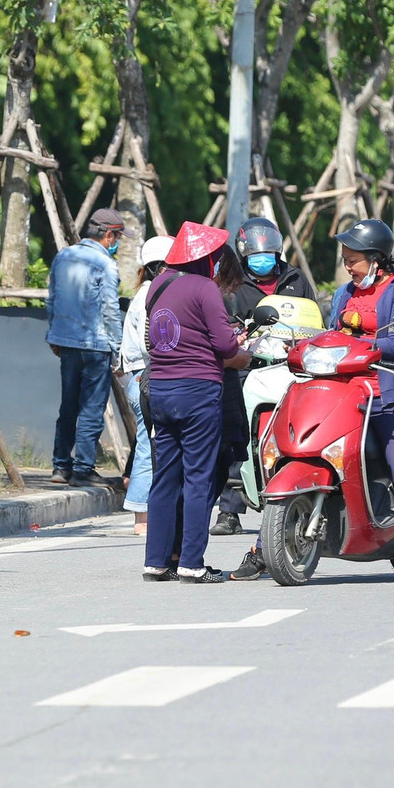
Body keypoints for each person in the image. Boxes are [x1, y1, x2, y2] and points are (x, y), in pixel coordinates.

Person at [231, 219, 394, 586]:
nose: (348, 266)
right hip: (344, 389)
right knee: (300, 452)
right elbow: (330, 333)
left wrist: (370, 348)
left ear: (377, 259)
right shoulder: (342, 293)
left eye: (354, 259)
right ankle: (264, 548)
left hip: (391, 394)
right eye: (345, 259)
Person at [143, 222, 250, 583]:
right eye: (216, 259)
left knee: (165, 479)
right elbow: (224, 346)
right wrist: (242, 349)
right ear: (205, 259)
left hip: (161, 390)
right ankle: (191, 563)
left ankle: (156, 562)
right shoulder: (205, 288)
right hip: (198, 392)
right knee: (198, 479)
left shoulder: (158, 284)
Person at [210, 217, 318, 536]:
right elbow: (225, 321)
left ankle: (300, 499)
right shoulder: (233, 282)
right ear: (243, 252)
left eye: (269, 252)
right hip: (247, 367)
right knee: (239, 435)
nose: (263, 258)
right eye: (257, 253)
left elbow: (313, 315)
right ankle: (229, 510)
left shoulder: (296, 278)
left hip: (290, 364)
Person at [45, 209, 129, 487]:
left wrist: (54, 335)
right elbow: (110, 309)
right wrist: (117, 350)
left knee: (68, 405)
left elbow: (52, 299)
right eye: (117, 236)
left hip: (66, 343)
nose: (117, 242)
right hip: (96, 345)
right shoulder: (105, 264)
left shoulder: (63, 256)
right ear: (108, 235)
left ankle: (60, 466)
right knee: (92, 407)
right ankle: (82, 468)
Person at [119, 235, 175, 534]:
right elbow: (150, 344)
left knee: (148, 443)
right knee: (147, 446)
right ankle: (142, 517)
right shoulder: (152, 296)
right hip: (148, 376)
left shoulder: (143, 292)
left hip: (138, 376)